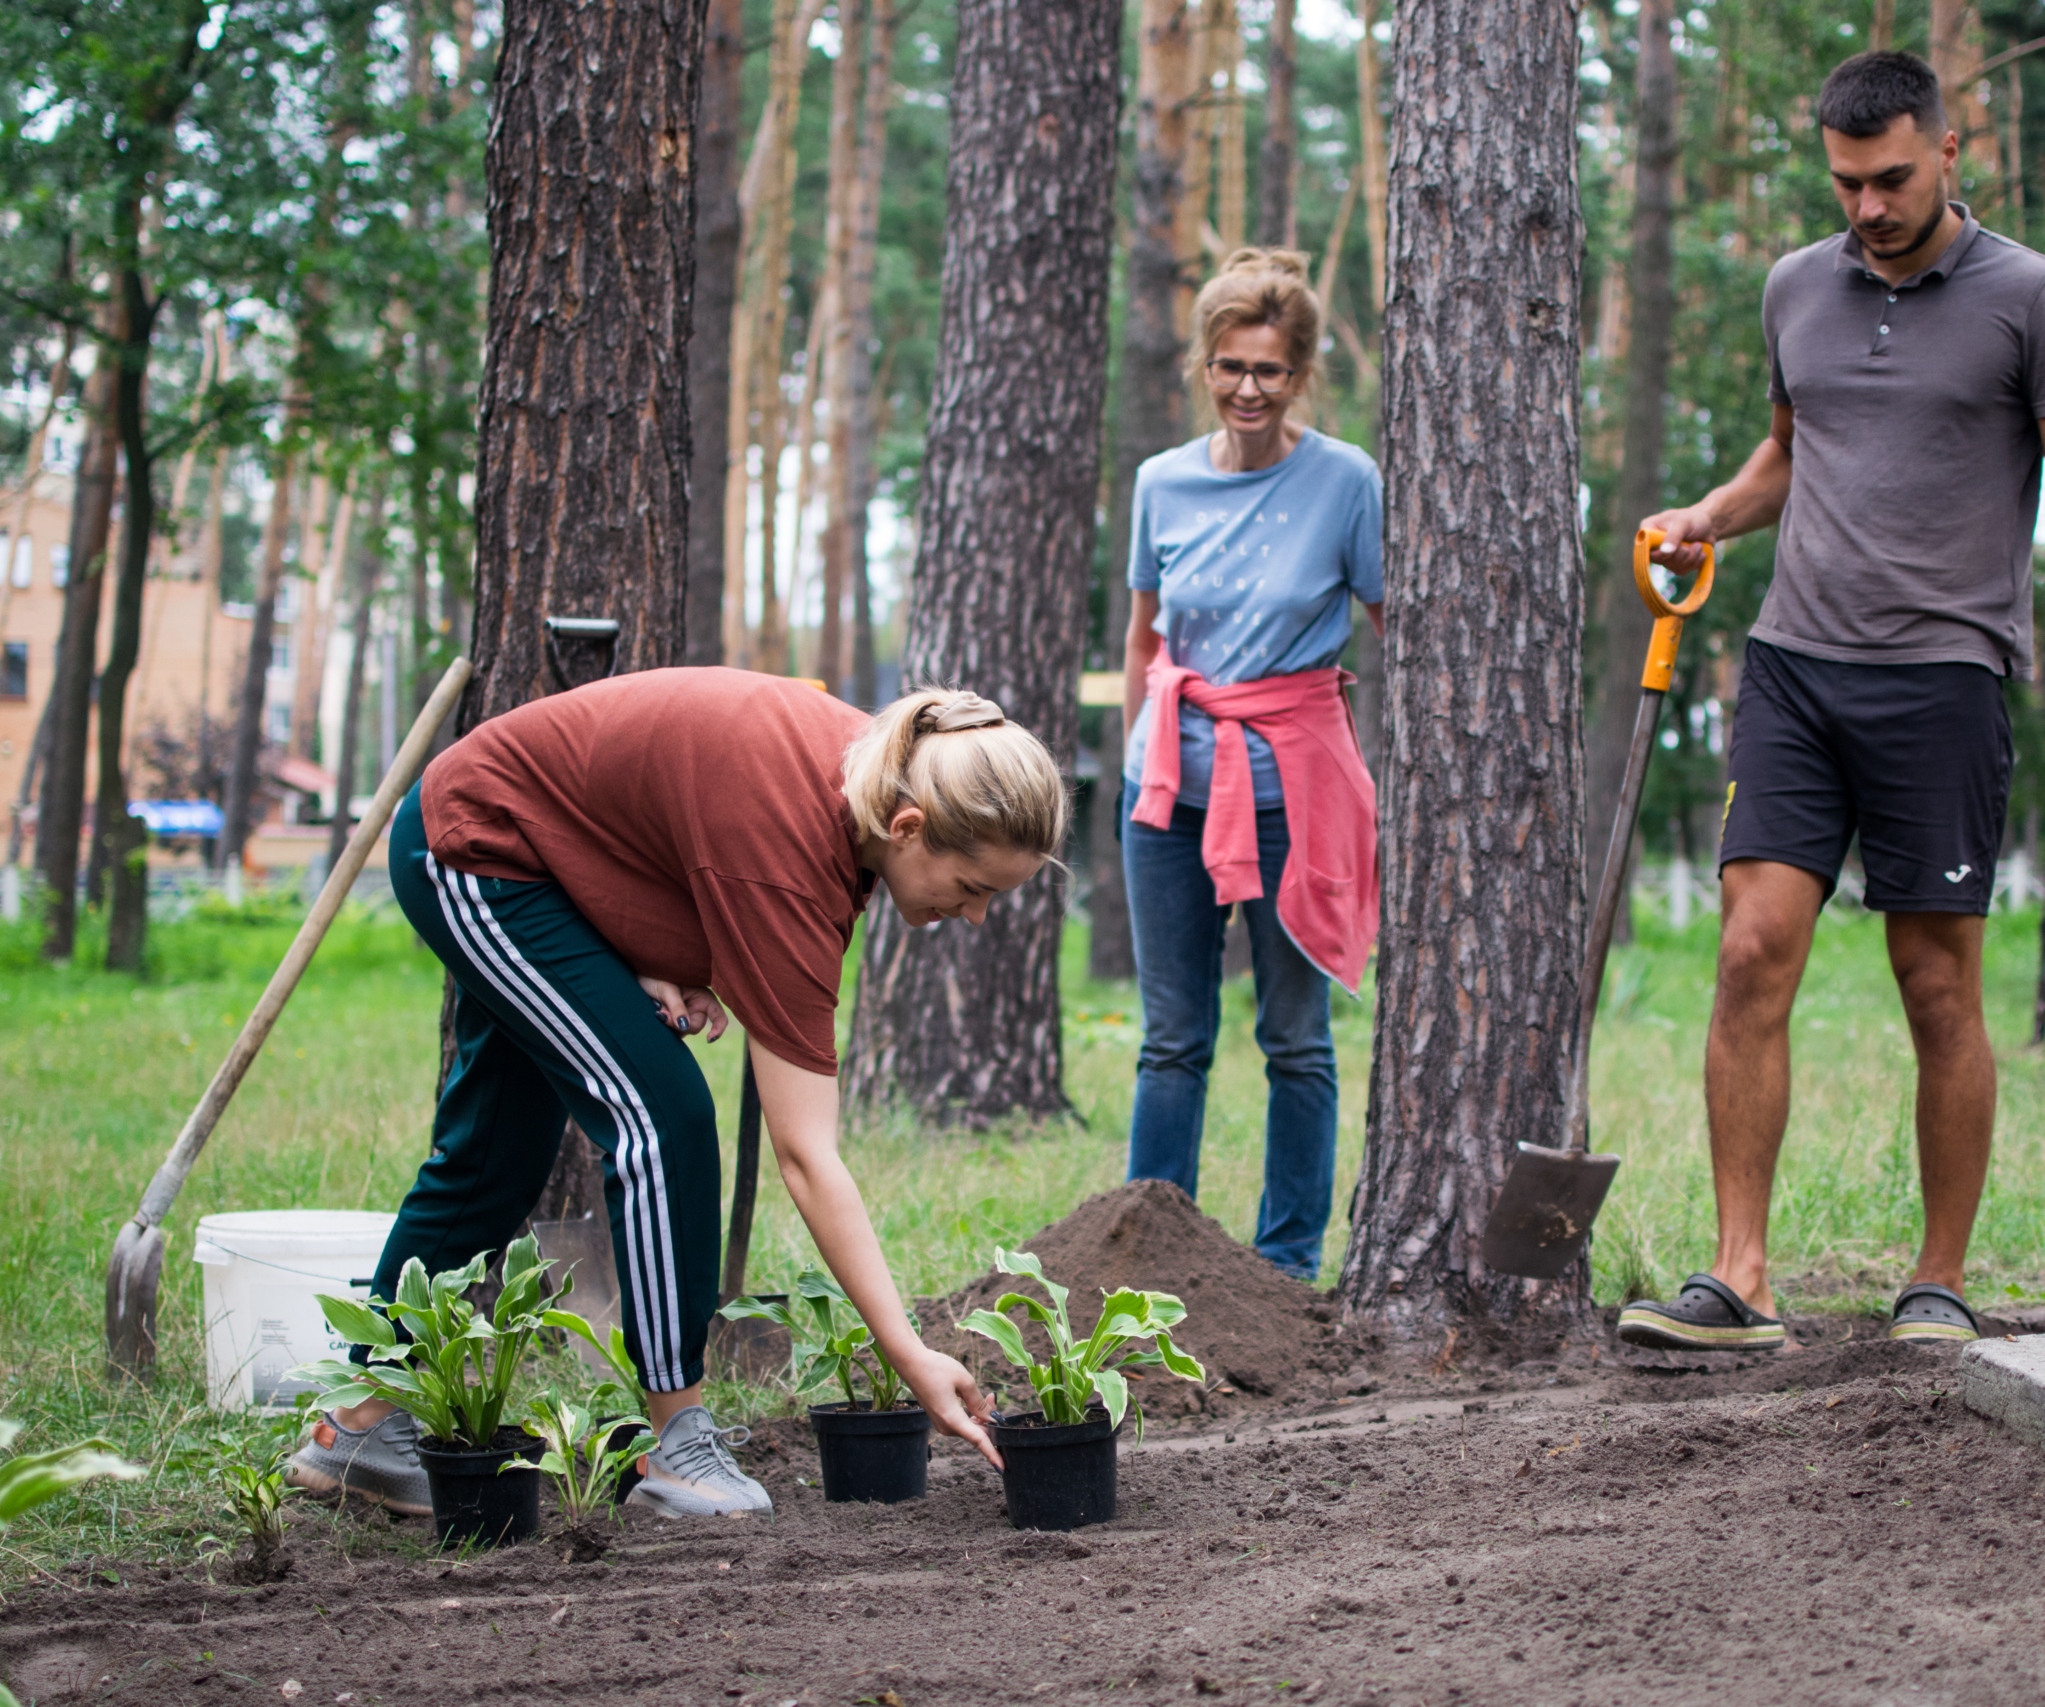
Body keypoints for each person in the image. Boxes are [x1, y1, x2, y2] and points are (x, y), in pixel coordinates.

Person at [1616, 51, 2045, 1351]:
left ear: (1949, 153)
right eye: (1847, 181)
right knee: (1748, 951)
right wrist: (1708, 514)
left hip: (1947, 672)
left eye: (1893, 177)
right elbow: (1793, 451)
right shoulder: (1798, 285)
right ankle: (1740, 1275)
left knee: (1935, 981)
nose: (1868, 204)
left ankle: (1937, 1279)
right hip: (1796, 661)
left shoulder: (2032, 295)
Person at [287, 672, 1065, 1517]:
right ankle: (681, 1443)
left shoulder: (875, 771)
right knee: (663, 1119)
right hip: (477, 848)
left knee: (495, 1151)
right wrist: (908, 1350)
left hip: (537, 849)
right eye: (975, 887)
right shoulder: (797, 847)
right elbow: (807, 1155)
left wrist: (662, 947)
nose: (979, 916)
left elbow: (674, 824)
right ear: (909, 827)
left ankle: (358, 1425)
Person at [1117, 247, 1384, 1283]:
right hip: (1173, 788)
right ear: (1204, 365)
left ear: (1300, 372)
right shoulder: (1161, 483)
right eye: (1229, 366)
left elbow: (1383, 614)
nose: (1247, 389)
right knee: (1171, 1039)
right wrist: (1145, 760)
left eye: (1269, 370)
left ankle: (1283, 1270)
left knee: (1294, 1036)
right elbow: (1145, 638)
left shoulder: (1345, 480)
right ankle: (1146, 1264)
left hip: (1294, 791)